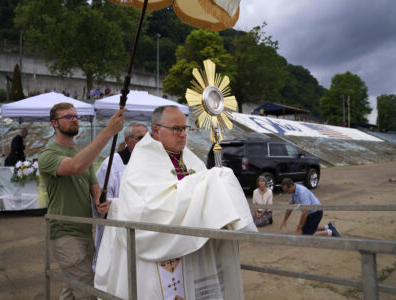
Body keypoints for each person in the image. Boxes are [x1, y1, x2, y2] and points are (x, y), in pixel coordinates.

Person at [95, 105, 256, 300]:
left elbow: (202, 191)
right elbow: (146, 207)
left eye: (184, 129)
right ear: (156, 130)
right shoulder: (142, 160)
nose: (182, 135)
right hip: (161, 249)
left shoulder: (188, 157)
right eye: (176, 129)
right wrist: (202, 186)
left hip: (192, 249)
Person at [38, 102, 125, 300]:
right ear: (54, 123)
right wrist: (108, 132)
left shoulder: (82, 156)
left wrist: (100, 201)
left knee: (72, 289)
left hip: (85, 232)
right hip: (64, 233)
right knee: (88, 291)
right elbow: (74, 167)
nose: (74, 119)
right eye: (68, 116)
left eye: (76, 116)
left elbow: (95, 188)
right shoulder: (48, 155)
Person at [92, 123, 148, 270]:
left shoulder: (151, 163)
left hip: (144, 229)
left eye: (149, 138)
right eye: (141, 138)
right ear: (128, 140)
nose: (146, 142)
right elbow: (102, 201)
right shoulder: (113, 164)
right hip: (117, 230)